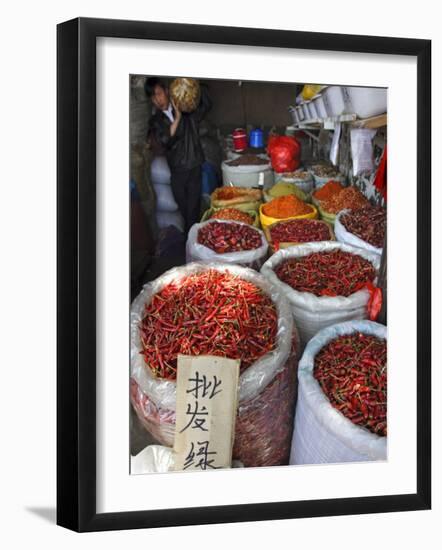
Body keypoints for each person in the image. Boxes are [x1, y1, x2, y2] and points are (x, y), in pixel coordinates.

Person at [145, 77, 212, 232]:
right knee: (183, 207)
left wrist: (195, 86)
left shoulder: (189, 112)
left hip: (193, 165)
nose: (157, 99)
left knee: (192, 210)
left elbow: (207, 104)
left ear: (167, 91)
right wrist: (177, 118)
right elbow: (165, 140)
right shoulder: (156, 121)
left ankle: (190, 245)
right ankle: (192, 241)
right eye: (153, 97)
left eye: (159, 94)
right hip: (177, 172)